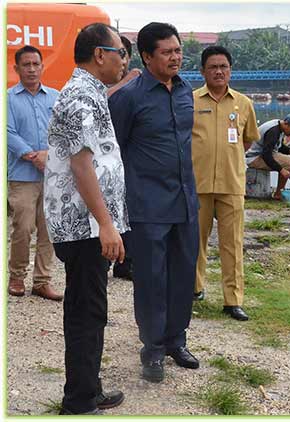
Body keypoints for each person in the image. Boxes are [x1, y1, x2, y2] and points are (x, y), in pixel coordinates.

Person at [109, 22, 200, 383]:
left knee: (182, 276)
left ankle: (177, 340)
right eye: (167, 51)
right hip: (147, 205)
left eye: (178, 50)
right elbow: (113, 151)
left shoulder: (185, 90)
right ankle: (153, 349)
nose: (175, 57)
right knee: (150, 280)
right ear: (147, 57)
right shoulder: (128, 98)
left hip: (185, 201)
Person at [43, 22, 127, 415]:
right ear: (99, 55)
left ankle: (88, 388)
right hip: (83, 227)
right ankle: (78, 399)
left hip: (87, 224)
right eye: (119, 53)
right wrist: (106, 224)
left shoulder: (90, 93)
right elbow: (81, 165)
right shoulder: (79, 96)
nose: (123, 60)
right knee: (86, 311)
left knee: (91, 306)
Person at [191, 46, 260, 321]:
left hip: (232, 184)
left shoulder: (243, 103)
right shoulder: (191, 100)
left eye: (224, 67)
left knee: (233, 244)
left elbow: (248, 139)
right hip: (198, 183)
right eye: (213, 67)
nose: (219, 71)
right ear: (203, 71)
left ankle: (233, 301)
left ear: (230, 70)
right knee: (195, 242)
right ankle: (194, 289)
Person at [7, 45, 62, 301]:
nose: (31, 69)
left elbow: (64, 133)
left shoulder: (55, 97)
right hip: (22, 176)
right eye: (26, 64)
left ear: (42, 66)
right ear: (16, 68)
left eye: (35, 64)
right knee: (23, 227)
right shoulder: (7, 99)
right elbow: (7, 133)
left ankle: (42, 281)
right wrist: (34, 156)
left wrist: (49, 157)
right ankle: (16, 276)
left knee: (48, 229)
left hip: (52, 176)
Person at [107, 34, 142, 280]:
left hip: (129, 156)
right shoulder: (102, 80)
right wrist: (126, 82)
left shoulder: (138, 83)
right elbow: (101, 99)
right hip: (105, 157)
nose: (120, 60)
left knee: (129, 208)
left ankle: (125, 261)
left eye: (123, 54)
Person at [245, 113, 290, 200]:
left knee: (289, 161)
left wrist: (289, 151)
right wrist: (281, 170)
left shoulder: (278, 127)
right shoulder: (273, 131)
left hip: (259, 155)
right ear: (286, 124)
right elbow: (266, 155)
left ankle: (278, 193)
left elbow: (277, 146)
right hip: (253, 158)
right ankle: (278, 194)